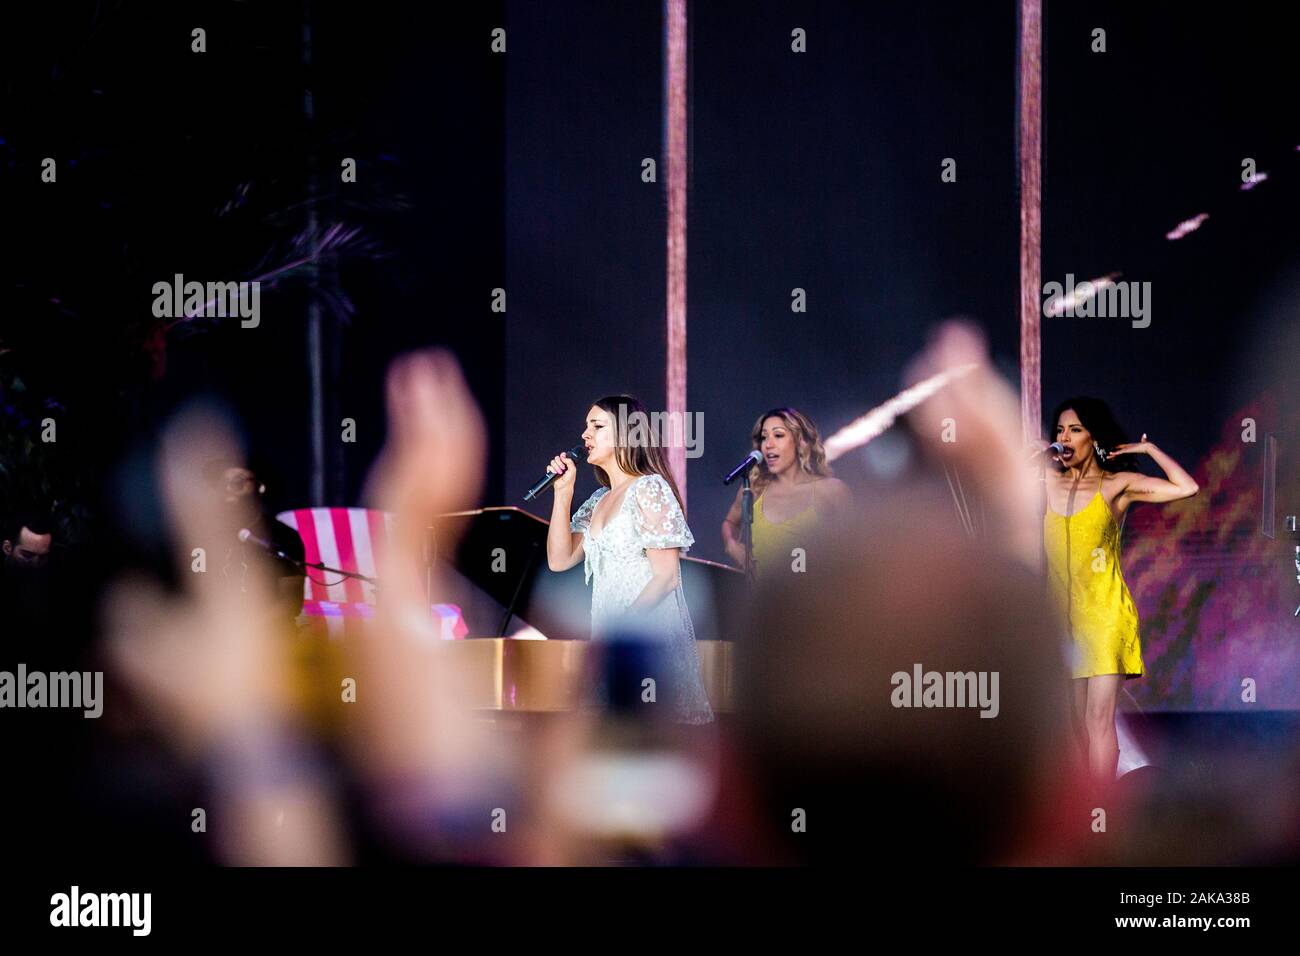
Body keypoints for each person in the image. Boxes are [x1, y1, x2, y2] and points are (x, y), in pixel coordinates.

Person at [1040, 397, 1199, 785]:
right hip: (1061, 618)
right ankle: (1082, 803)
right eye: (1060, 430)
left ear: (1094, 438)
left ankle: (1099, 806)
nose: (1064, 437)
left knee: (1097, 719)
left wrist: (1149, 450)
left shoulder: (1116, 485)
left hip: (1104, 615)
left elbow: (1187, 487)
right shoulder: (1047, 481)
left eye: (1075, 430)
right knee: (1071, 724)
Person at [544, 395, 714, 725]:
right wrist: (563, 493)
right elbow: (559, 559)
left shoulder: (648, 488)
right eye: (585, 426)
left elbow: (667, 577)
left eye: (597, 426)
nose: (585, 435)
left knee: (648, 735)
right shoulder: (598, 500)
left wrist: (619, 632)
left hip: (646, 640)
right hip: (610, 643)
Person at [720, 407, 852, 579]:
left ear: (799, 441)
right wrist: (732, 545)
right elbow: (730, 522)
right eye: (764, 437)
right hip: (763, 601)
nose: (769, 444)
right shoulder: (755, 487)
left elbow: (853, 552)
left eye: (779, 435)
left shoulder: (831, 491)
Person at [202, 457, 306, 627]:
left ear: (260, 486)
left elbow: (290, 603)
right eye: (222, 482)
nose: (229, 488)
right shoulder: (204, 536)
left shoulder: (284, 537)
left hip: (269, 636)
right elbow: (192, 590)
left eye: (238, 481)